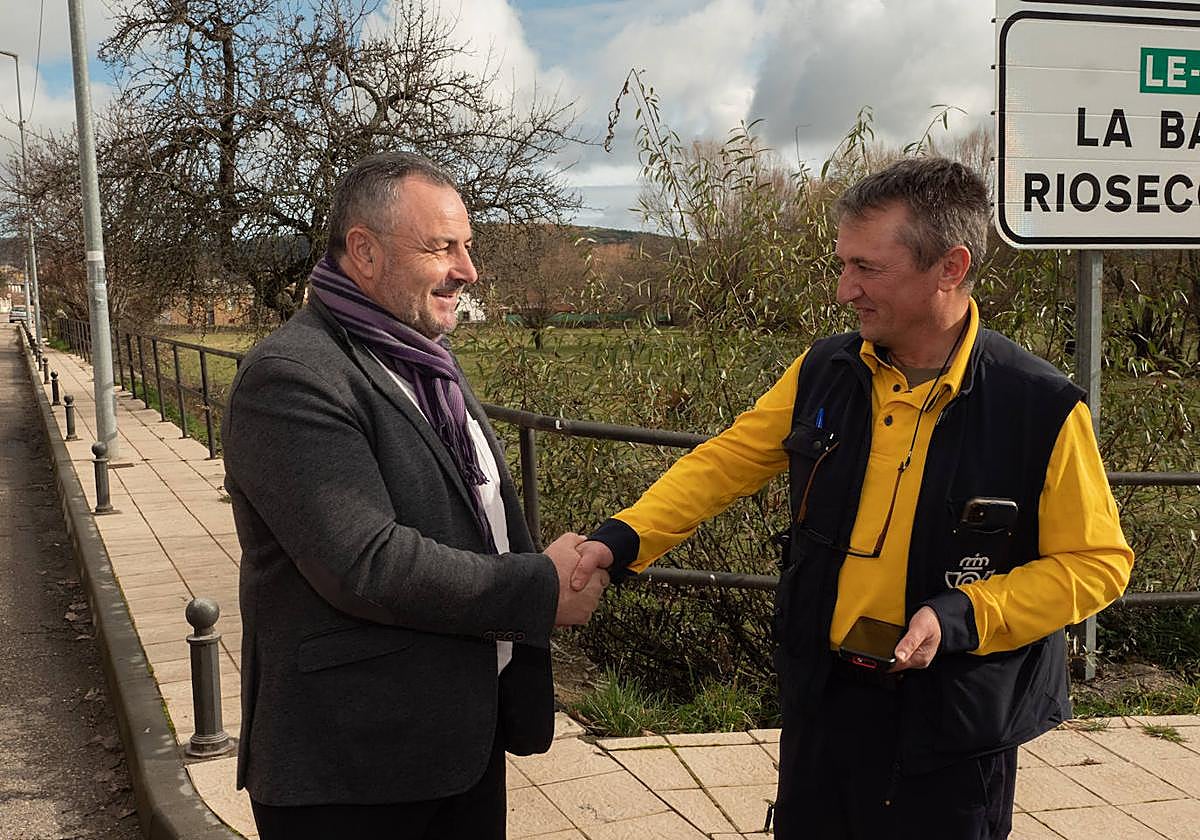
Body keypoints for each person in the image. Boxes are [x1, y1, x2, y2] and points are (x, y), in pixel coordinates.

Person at [574, 157, 1133, 839]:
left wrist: (963, 614)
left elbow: (1098, 564)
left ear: (950, 267)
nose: (845, 290)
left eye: (868, 268)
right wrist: (620, 539)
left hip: (953, 726)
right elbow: (725, 463)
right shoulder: (824, 370)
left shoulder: (1040, 406)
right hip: (824, 707)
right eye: (843, 265)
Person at [221, 151, 609, 840]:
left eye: (468, 247)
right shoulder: (292, 376)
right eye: (442, 248)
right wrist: (540, 588)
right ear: (364, 253)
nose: (468, 270)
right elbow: (365, 565)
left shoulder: (427, 363)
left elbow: (476, 515)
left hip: (458, 742)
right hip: (355, 768)